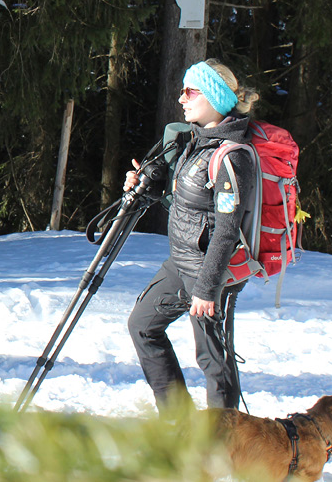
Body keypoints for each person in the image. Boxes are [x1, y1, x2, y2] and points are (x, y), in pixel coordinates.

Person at [124, 59, 260, 413]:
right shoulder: (195, 142)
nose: (181, 98)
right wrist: (146, 187)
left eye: (190, 91)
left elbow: (228, 229)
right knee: (142, 325)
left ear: (214, 98)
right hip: (180, 262)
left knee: (213, 359)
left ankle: (223, 440)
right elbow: (186, 203)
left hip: (210, 271)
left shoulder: (232, 156)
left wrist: (207, 288)